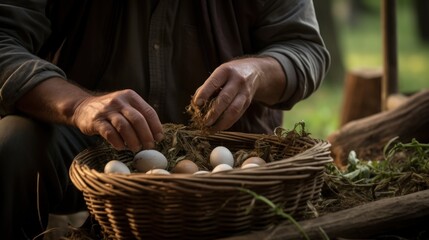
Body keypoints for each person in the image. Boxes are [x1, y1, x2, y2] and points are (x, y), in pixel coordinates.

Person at [0, 0, 330, 239]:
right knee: (14, 143)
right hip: (93, 144)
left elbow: (304, 48)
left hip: (222, 154)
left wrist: (256, 71)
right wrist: (79, 104)